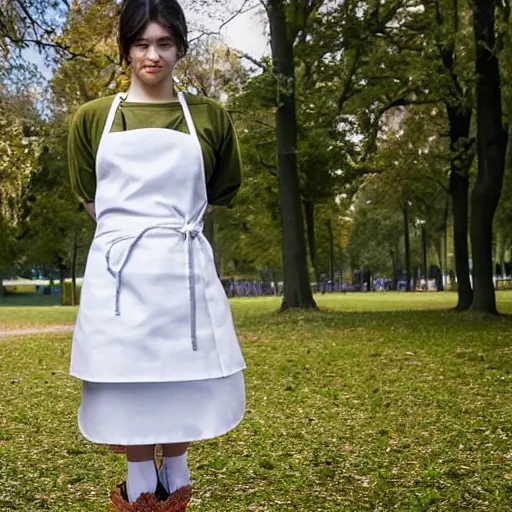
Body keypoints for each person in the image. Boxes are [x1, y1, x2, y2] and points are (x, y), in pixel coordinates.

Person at [67, 0, 246, 509]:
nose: (153, 56)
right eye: (142, 44)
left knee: (182, 380)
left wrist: (171, 230)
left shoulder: (210, 116)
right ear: (125, 49)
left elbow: (222, 186)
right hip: (119, 275)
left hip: (183, 271)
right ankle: (142, 491)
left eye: (164, 43)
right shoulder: (92, 118)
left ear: (180, 48)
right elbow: (90, 195)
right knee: (130, 384)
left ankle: (179, 487)